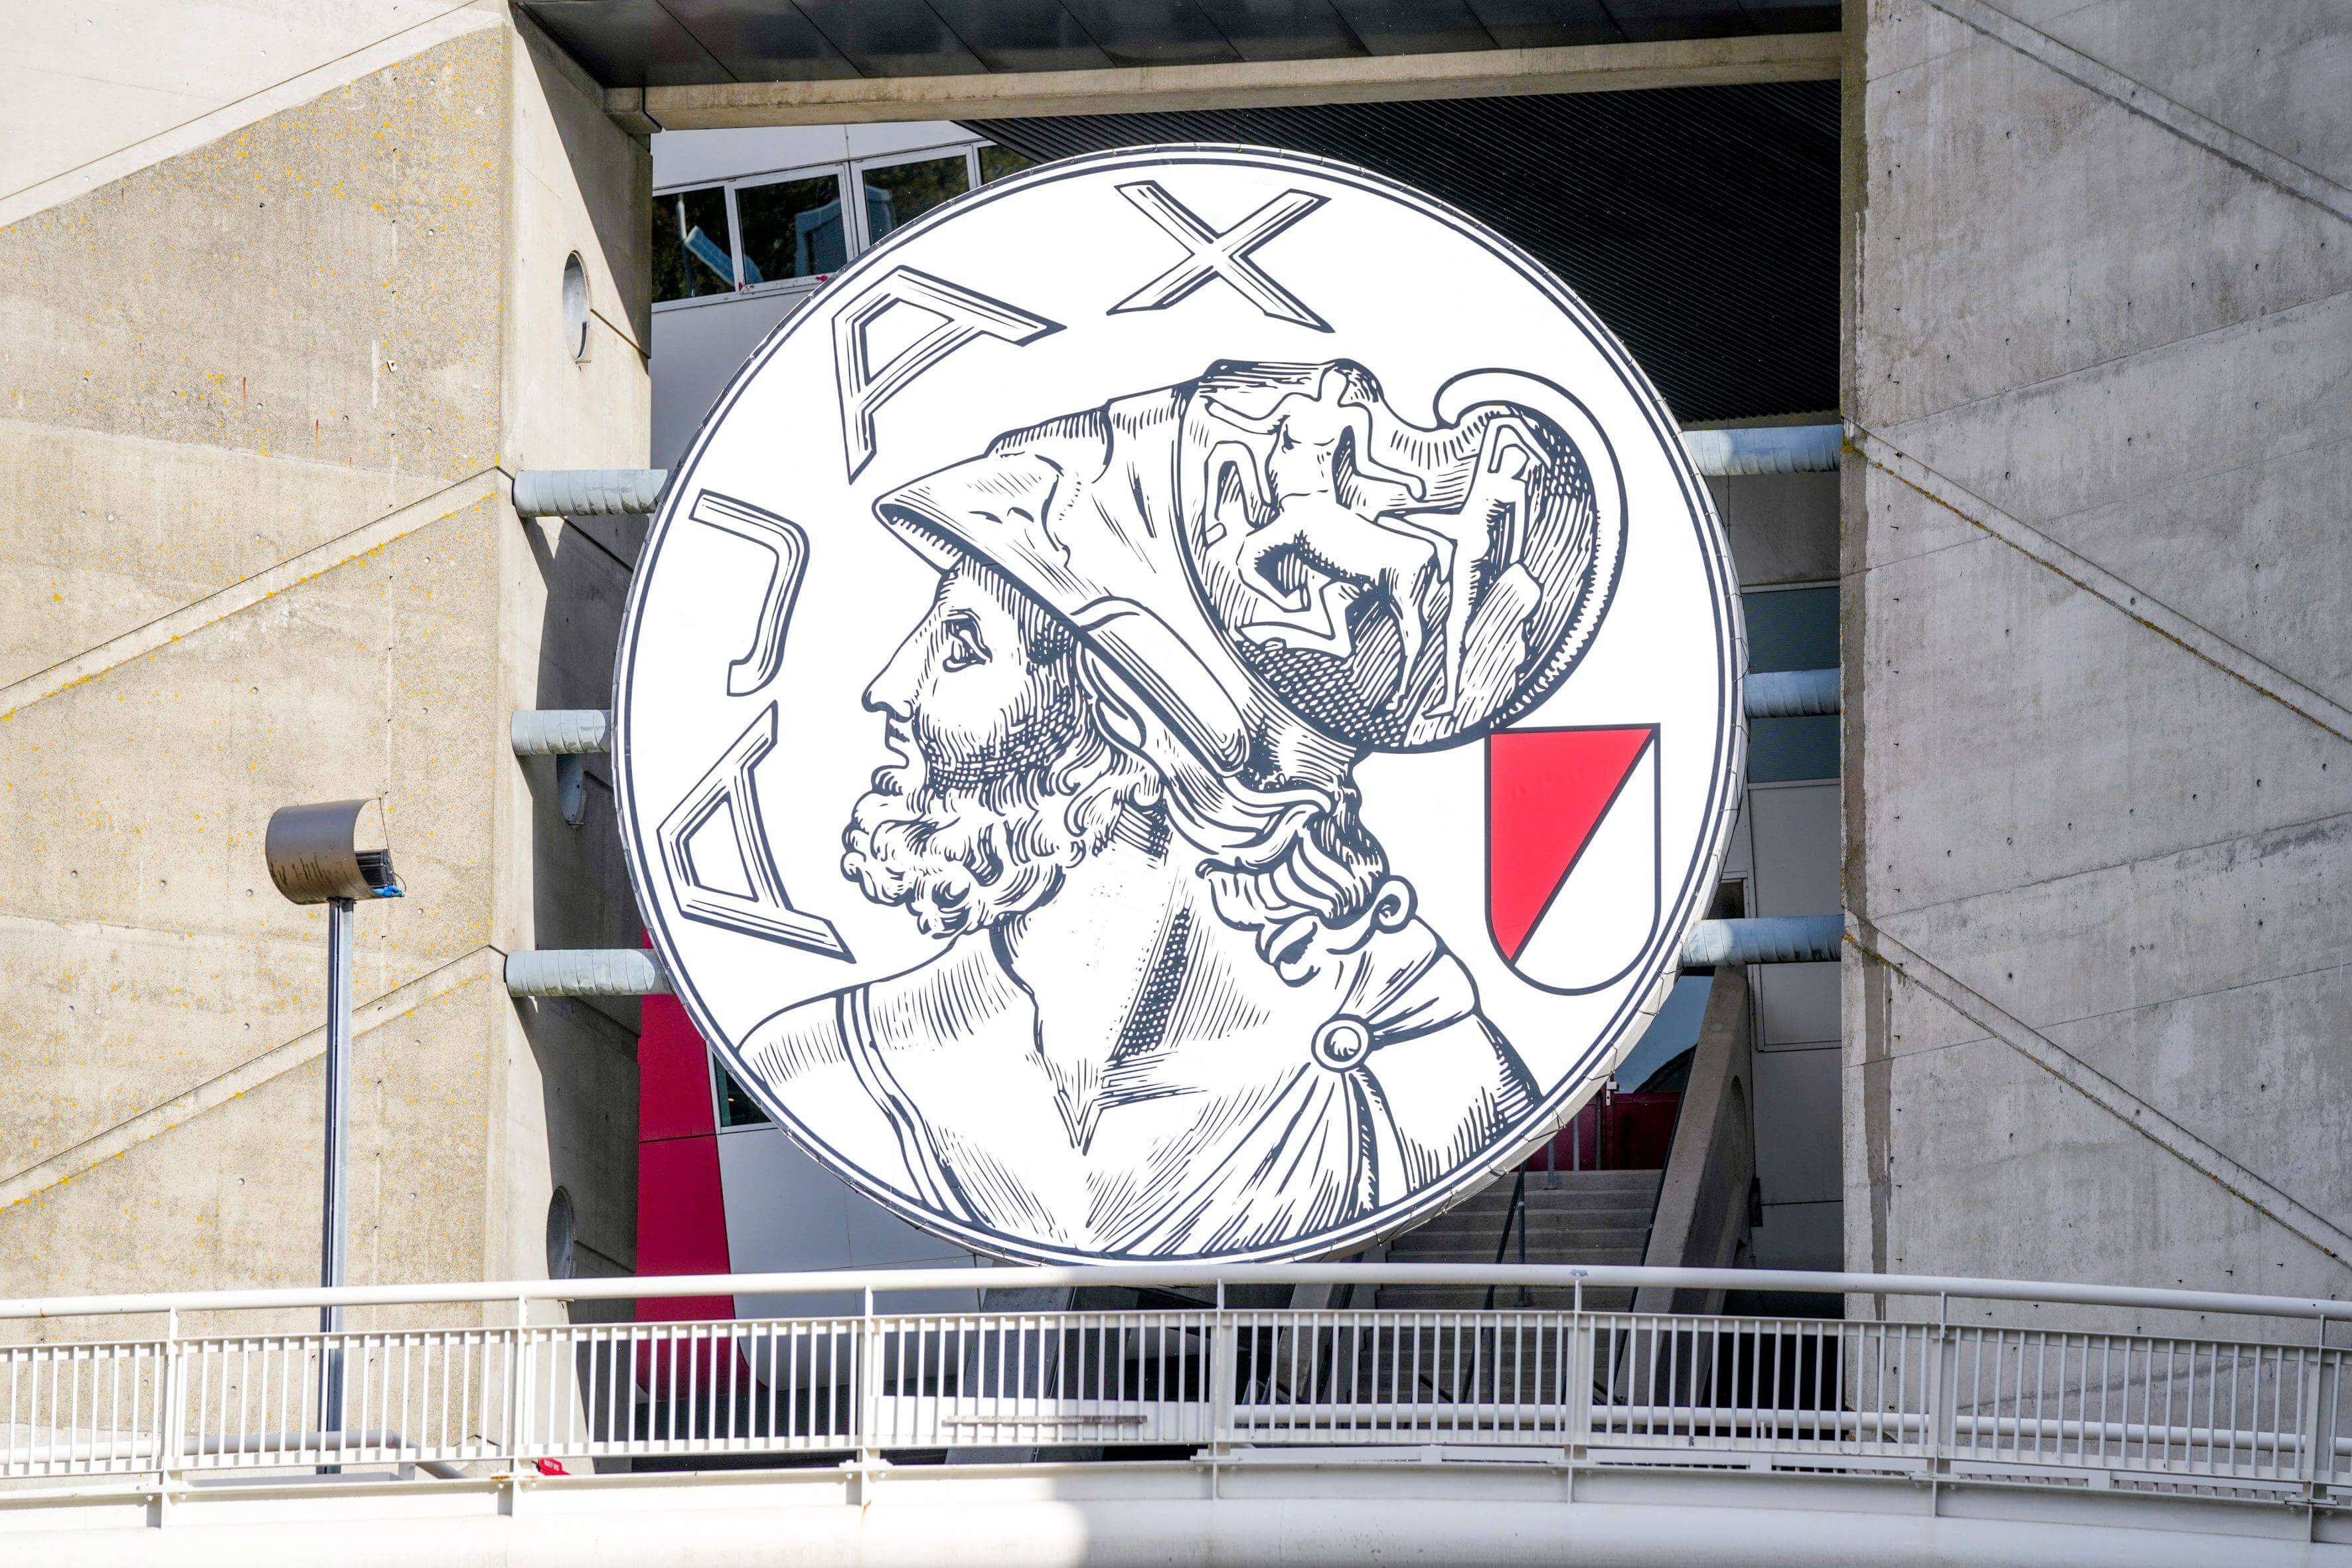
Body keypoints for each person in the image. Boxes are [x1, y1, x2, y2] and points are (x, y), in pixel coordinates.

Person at [737, 369, 1539, 1259]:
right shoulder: (819, 1069)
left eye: (960, 646)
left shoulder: (1410, 1097)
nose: (887, 687)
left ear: (1127, 730)